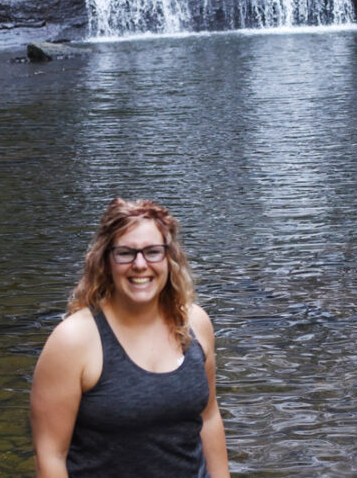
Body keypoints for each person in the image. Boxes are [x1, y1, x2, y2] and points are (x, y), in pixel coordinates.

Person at [30, 198, 229, 477]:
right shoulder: (73, 341)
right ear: (106, 260)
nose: (139, 264)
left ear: (169, 258)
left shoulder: (195, 323)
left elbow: (208, 418)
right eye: (125, 253)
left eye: (152, 252)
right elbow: (51, 454)